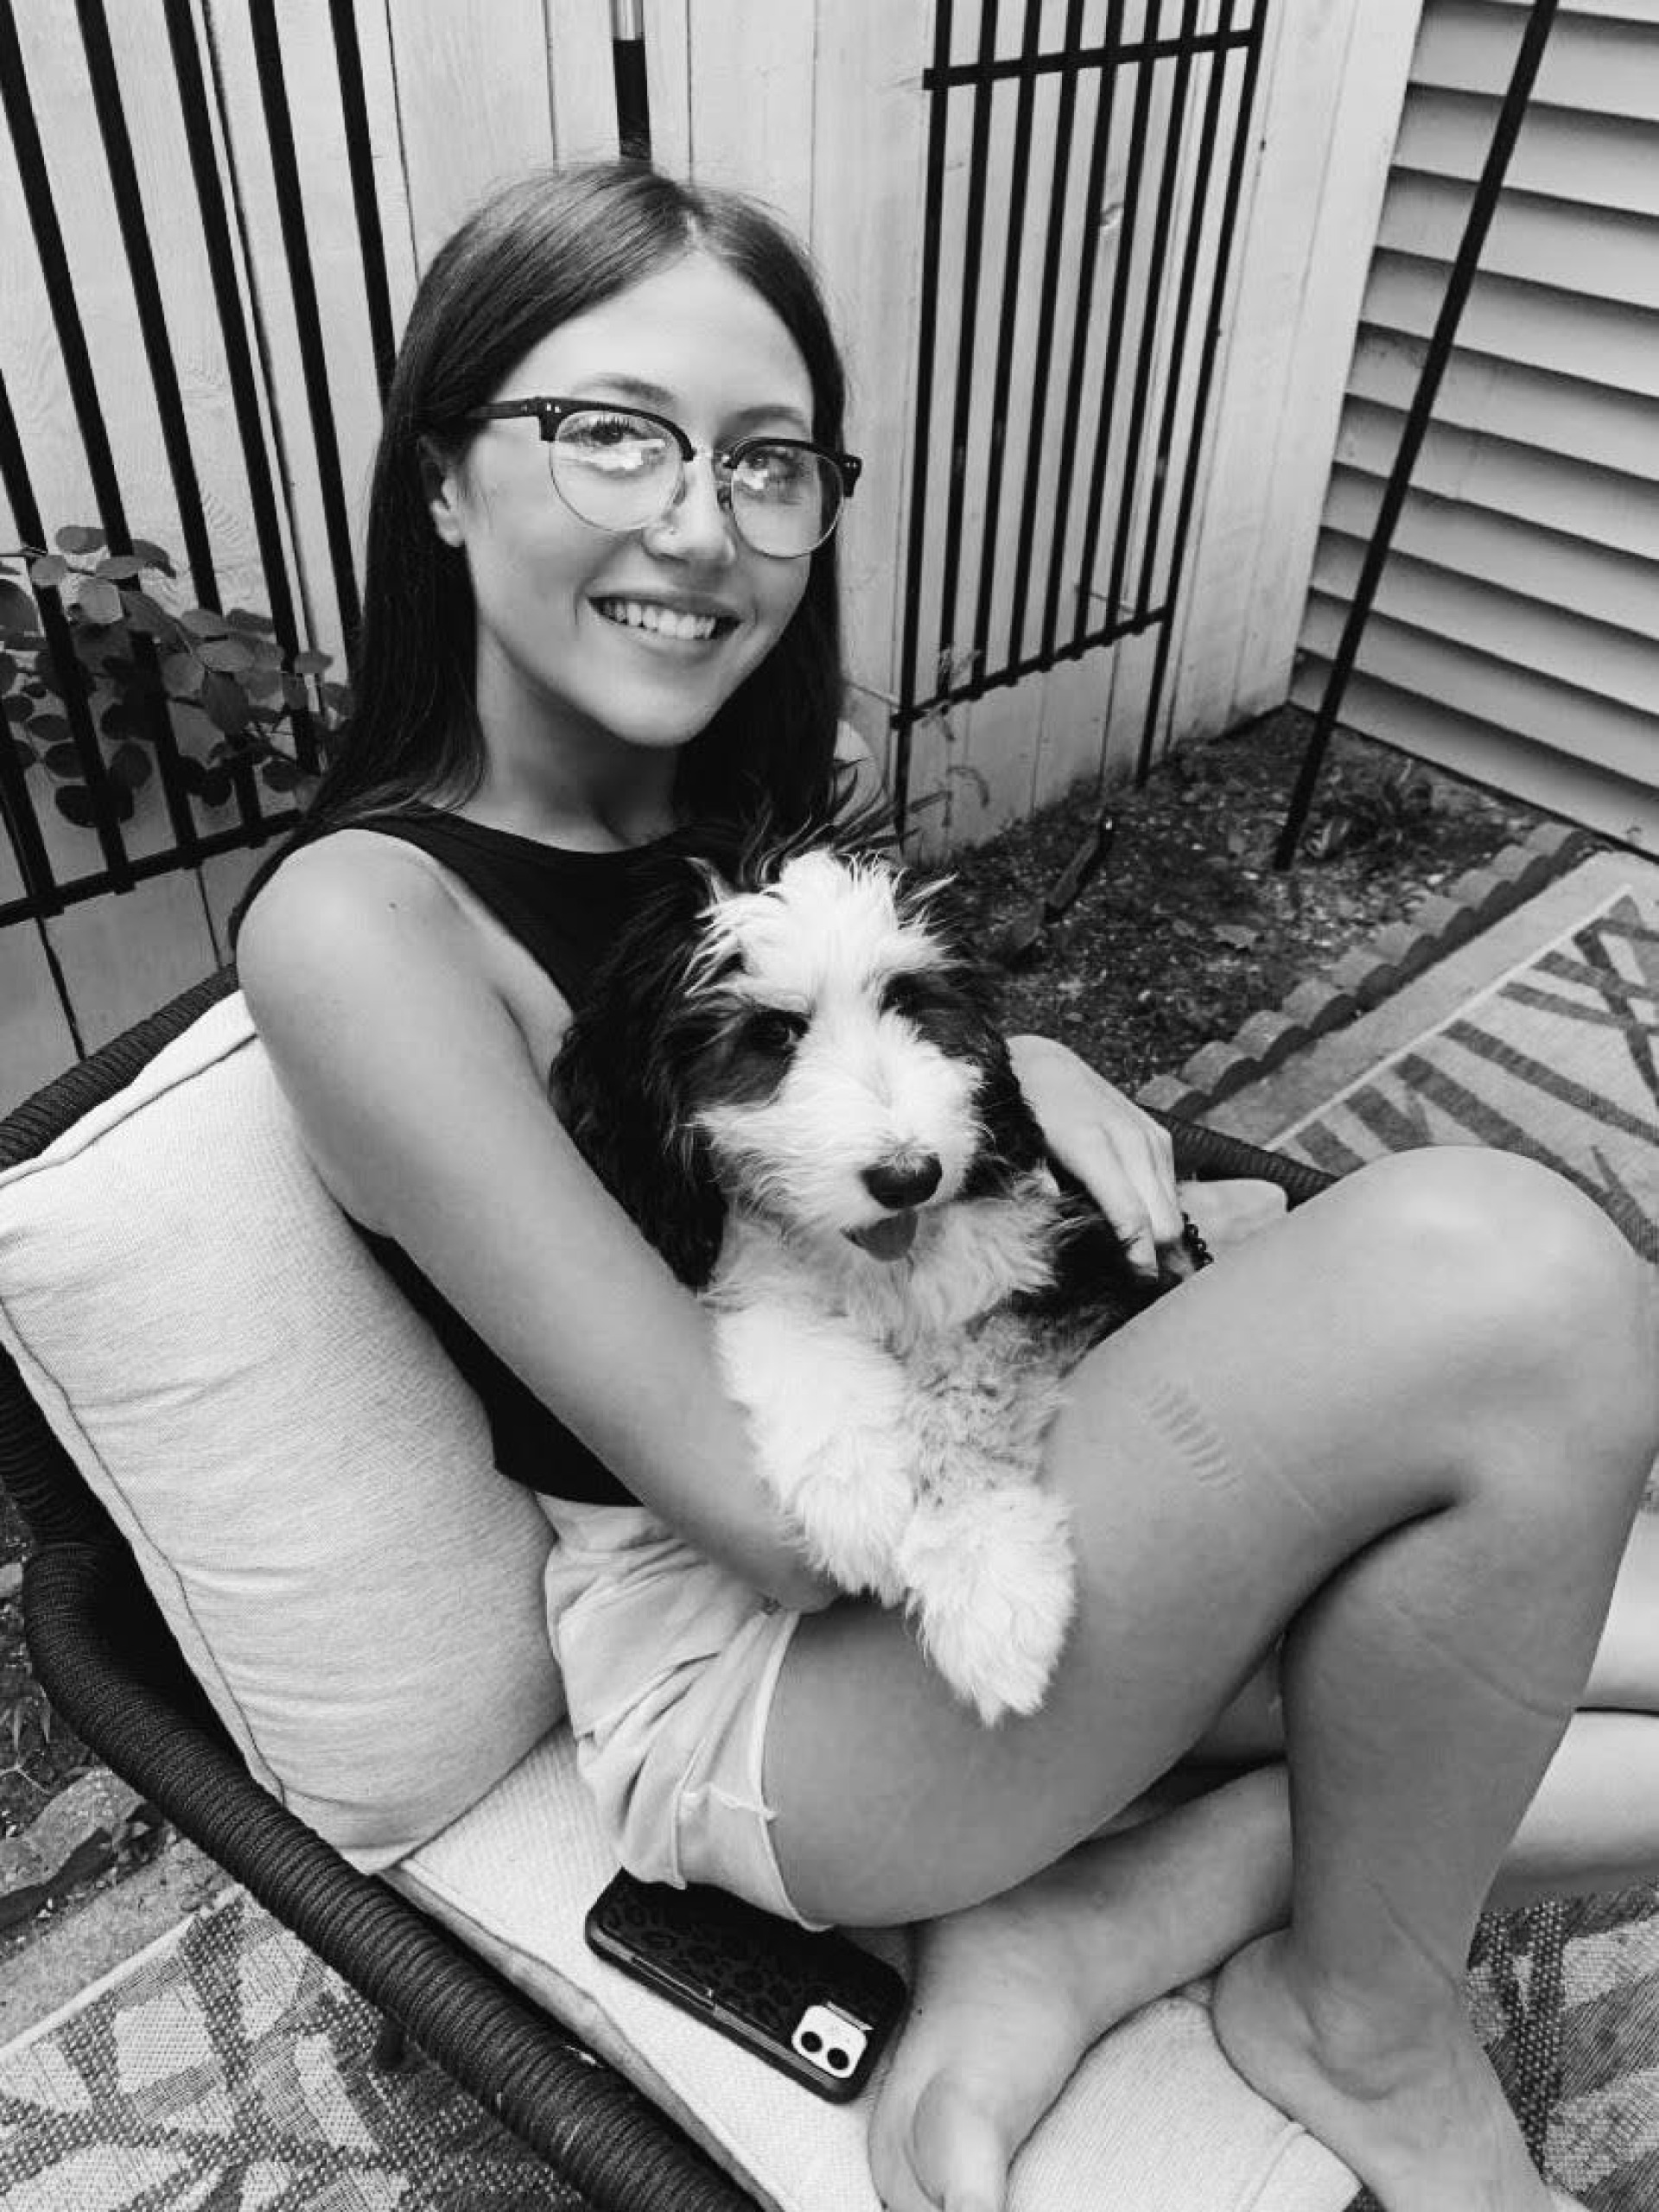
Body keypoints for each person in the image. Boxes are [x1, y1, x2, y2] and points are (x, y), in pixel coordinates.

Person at [233, 159, 1659, 2212]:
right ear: (445, 475)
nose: (698, 524)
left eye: (768, 460)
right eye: (611, 431)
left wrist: (1037, 1073)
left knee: (1551, 1542)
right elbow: (764, 1510)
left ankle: (1131, 1903)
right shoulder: (367, 926)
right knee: (1513, 1274)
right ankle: (1363, 2021)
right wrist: (1260, 1400)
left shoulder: (727, 814)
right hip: (778, 1677)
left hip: (984, 1503)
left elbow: (874, 1129)